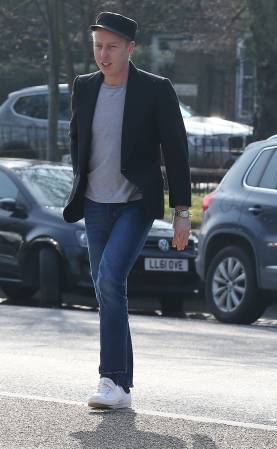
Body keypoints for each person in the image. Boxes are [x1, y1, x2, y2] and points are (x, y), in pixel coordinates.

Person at [63, 12, 192, 409]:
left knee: (110, 279)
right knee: (108, 289)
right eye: (98, 46)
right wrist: (81, 184)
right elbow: (76, 138)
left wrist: (182, 211)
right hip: (96, 205)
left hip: (136, 203)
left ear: (130, 48)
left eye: (112, 47)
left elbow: (176, 150)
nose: (103, 54)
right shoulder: (84, 88)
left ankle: (110, 379)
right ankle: (122, 386)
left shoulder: (155, 89)